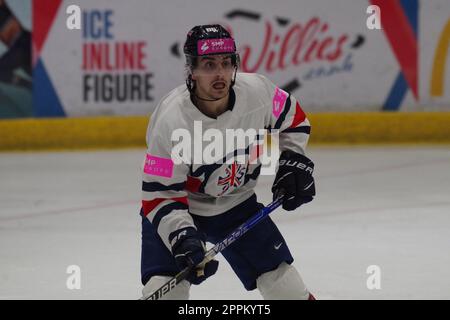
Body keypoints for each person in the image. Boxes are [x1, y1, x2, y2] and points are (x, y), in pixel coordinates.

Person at [140, 24, 316, 300]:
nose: (220, 73)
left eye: (226, 62)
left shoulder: (258, 92)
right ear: (192, 70)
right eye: (209, 64)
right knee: (164, 292)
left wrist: (294, 161)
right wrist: (182, 236)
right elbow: (158, 194)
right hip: (182, 208)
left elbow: (294, 119)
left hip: (237, 206)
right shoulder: (169, 121)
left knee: (287, 289)